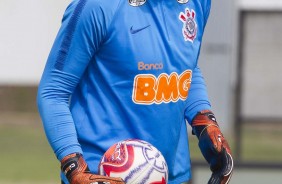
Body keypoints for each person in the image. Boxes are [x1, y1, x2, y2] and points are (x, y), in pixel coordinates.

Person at [37, 0, 233, 183]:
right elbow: (53, 92)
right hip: (99, 175)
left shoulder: (199, 3)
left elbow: (186, 68)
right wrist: (74, 166)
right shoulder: (98, 6)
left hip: (171, 175)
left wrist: (204, 119)